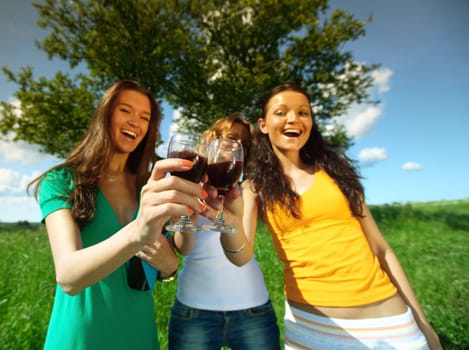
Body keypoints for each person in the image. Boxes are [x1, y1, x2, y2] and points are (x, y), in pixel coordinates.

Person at [241, 82, 442, 349]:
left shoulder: (336, 171)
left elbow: (382, 250)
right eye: (281, 112)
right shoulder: (254, 187)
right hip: (310, 328)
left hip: (386, 321)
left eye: (303, 112)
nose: (294, 118)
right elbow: (241, 254)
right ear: (263, 125)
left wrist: (425, 327)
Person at [28, 80, 207, 350]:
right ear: (105, 114)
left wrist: (173, 259)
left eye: (144, 117)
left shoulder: (148, 185)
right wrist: (137, 233)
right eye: (126, 110)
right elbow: (68, 276)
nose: (136, 122)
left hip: (139, 333)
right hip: (83, 335)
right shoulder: (62, 180)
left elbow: (176, 251)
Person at [168, 114, 280, 350]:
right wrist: (191, 208)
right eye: (231, 138)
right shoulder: (190, 182)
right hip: (194, 310)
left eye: (244, 144)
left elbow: (243, 254)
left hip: (252, 311)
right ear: (213, 139)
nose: (236, 145)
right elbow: (184, 248)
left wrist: (227, 220)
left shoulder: (244, 190)